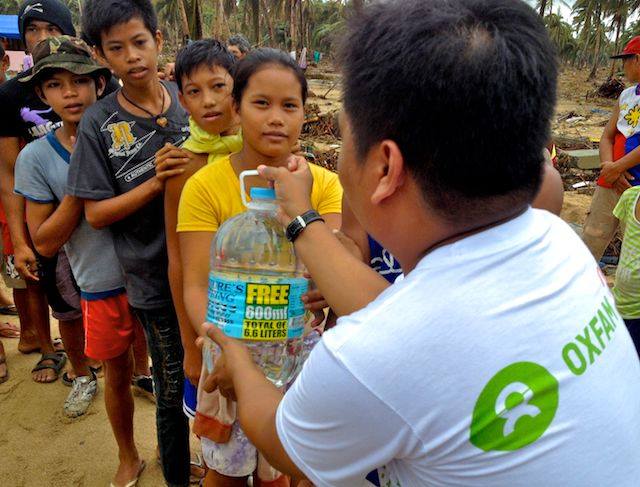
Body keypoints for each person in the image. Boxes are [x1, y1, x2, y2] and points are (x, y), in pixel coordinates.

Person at [200, 0, 640, 485]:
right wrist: (303, 221)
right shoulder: (559, 243)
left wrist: (237, 360)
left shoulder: (377, 354)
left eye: (347, 138)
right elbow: (404, 319)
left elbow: (286, 441)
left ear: (385, 168)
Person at [177, 48, 342, 486]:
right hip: (228, 356)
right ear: (236, 108)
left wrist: (329, 282)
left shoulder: (324, 186)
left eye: (289, 106)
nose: (276, 118)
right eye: (261, 103)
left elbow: (339, 265)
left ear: (305, 113)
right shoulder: (205, 187)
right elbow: (195, 285)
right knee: (225, 473)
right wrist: (218, 351)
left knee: (291, 472)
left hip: (298, 361)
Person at [14, 35, 148, 483]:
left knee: (165, 368)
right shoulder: (36, 157)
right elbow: (46, 242)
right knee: (114, 371)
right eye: (55, 84)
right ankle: (127, 454)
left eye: (79, 81)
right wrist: (81, 184)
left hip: (153, 275)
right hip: (100, 282)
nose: (69, 93)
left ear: (100, 83)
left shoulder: (128, 135)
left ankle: (170, 442)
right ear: (41, 94)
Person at [68, 1, 191, 485]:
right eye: (117, 49)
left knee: (210, 373)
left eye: (139, 42)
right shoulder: (99, 124)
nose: (132, 56)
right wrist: (154, 184)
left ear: (159, 41)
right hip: (151, 277)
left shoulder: (189, 97)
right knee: (170, 381)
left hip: (208, 269)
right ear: (102, 56)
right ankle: (178, 472)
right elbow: (95, 214)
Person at [159, 38, 240, 430]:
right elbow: (177, 261)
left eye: (218, 86)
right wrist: (190, 345)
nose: (208, 101)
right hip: (209, 323)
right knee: (219, 439)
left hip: (265, 319)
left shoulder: (268, 156)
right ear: (182, 99)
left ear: (236, 87)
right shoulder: (182, 166)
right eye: (195, 91)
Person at [0, 0, 74, 384]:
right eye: (32, 30)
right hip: (36, 208)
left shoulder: (94, 83)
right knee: (38, 278)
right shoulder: (12, 95)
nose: (41, 37)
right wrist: (18, 237)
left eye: (51, 29)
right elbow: (9, 170)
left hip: (84, 202)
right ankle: (48, 348)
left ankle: (86, 347)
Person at [582, 36, 640, 261]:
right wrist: (609, 168)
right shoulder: (626, 96)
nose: (622, 66)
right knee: (592, 235)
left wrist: (618, 168)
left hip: (635, 185)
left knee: (634, 249)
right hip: (610, 181)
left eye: (625, 60)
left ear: (636, 60)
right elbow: (607, 135)